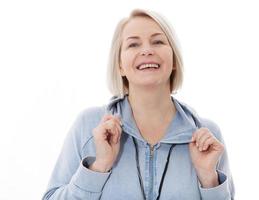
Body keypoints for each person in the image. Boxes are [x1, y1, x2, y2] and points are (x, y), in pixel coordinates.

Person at [42, 8, 235, 200]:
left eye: (158, 41)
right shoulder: (90, 125)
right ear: (120, 65)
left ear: (174, 59)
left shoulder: (208, 137)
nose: (147, 50)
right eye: (133, 44)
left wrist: (209, 180)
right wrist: (98, 167)